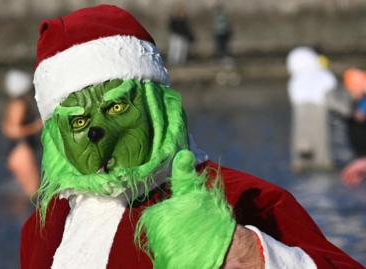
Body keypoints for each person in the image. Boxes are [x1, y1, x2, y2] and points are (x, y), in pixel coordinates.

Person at [20, 5, 362, 268]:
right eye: (78, 123)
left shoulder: (243, 197)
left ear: (159, 106)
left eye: (117, 108)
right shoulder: (44, 226)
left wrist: (246, 255)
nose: (98, 132)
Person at [286, 47, 337, 172]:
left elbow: (293, 94)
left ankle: (301, 163)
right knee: (320, 138)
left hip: (301, 109)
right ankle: (322, 162)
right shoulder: (323, 75)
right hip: (320, 108)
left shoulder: (296, 80)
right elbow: (331, 90)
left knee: (301, 139)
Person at [1, 70, 42, 196]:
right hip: (22, 151)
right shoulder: (19, 105)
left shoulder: (12, 104)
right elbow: (11, 131)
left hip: (17, 152)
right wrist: (36, 126)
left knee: (29, 195)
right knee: (33, 193)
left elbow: (4, 126)